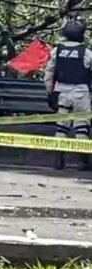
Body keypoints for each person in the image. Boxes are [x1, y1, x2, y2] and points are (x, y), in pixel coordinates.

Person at [44, 19, 92, 170]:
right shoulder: (87, 53)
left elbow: (49, 74)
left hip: (62, 91)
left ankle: (59, 160)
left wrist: (49, 92)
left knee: (61, 127)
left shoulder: (56, 51)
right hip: (81, 92)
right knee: (82, 126)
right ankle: (82, 162)